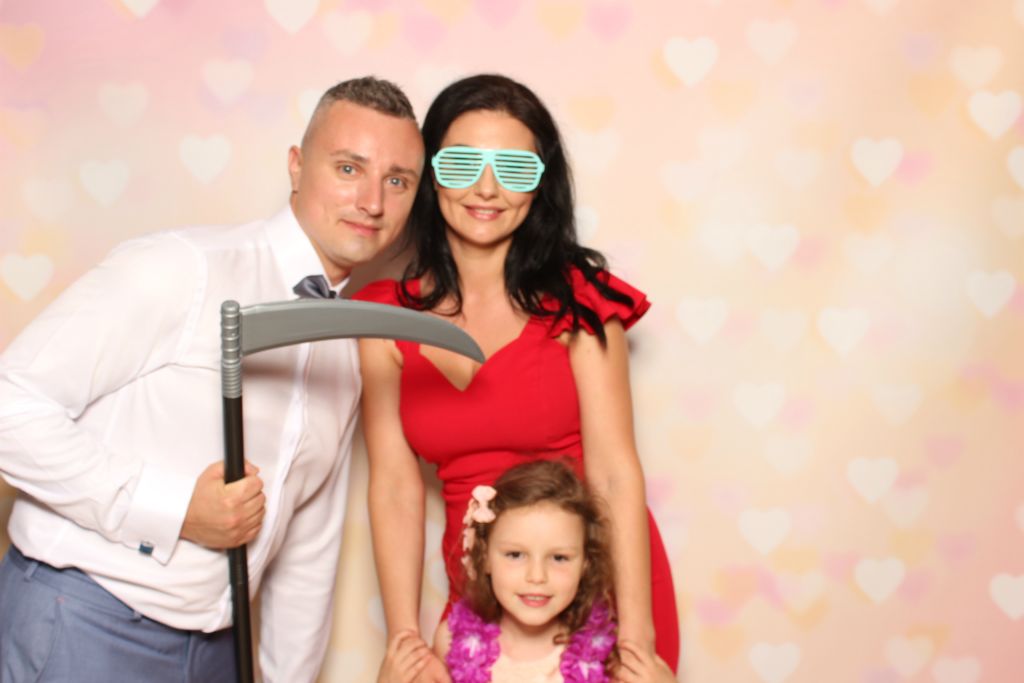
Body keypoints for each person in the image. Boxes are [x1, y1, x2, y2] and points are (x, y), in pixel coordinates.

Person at [0, 76, 424, 683]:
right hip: (85, 619)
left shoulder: (344, 348)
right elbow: (10, 405)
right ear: (296, 165)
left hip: (221, 650)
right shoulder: (182, 268)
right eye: (349, 168)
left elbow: (309, 543)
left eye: (397, 181)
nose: (372, 202)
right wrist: (174, 510)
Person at [356, 73, 679, 683]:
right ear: (430, 175)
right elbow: (395, 486)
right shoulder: (384, 318)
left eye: (514, 168)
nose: (487, 188)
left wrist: (637, 640)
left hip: (591, 586)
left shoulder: (582, 304)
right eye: (462, 164)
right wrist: (405, 639)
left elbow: (614, 472)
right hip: (485, 592)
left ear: (541, 185)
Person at [378, 460, 676, 683]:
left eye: (559, 558)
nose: (537, 576)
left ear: (585, 564)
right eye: (515, 555)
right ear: (485, 558)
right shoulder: (452, 640)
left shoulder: (608, 655)